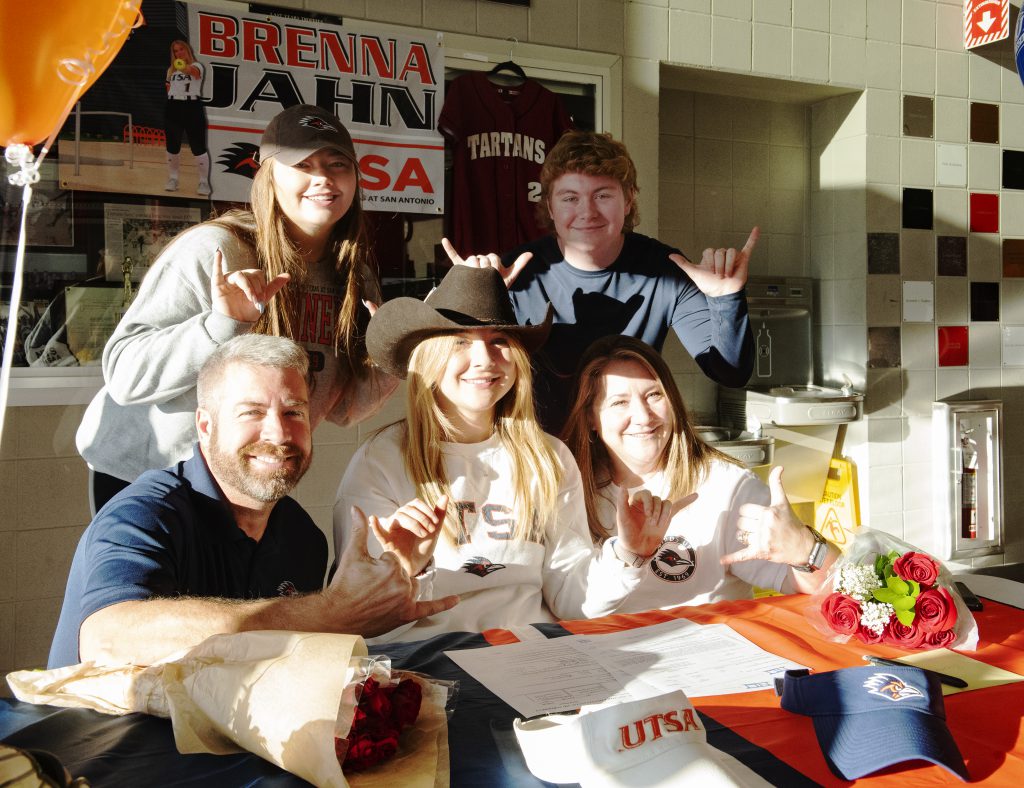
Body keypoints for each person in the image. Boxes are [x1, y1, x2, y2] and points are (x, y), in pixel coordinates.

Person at [49, 335, 456, 669]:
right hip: (99, 757)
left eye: (294, 412)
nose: (278, 434)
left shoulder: (301, 537)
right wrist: (330, 612)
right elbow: (109, 638)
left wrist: (393, 578)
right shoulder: (144, 514)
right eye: (252, 412)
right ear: (205, 425)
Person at [76, 103, 397, 513]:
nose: (323, 177)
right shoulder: (217, 251)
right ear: (269, 178)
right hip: (152, 478)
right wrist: (219, 325)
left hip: (252, 479)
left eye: (337, 164)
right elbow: (125, 375)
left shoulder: (354, 278)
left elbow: (346, 410)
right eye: (303, 164)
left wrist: (400, 351)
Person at [332, 266, 656, 643]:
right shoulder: (381, 462)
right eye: (460, 342)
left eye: (499, 339)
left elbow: (571, 599)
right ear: (429, 358)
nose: (484, 359)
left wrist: (628, 555)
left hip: (531, 660)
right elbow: (363, 620)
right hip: (424, 667)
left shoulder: (548, 457)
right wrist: (408, 569)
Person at [443, 129, 757, 432]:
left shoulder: (665, 270)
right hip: (539, 451)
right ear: (550, 207)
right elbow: (463, 380)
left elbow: (730, 373)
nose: (587, 212)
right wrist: (472, 299)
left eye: (602, 195)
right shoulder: (516, 274)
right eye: (570, 198)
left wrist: (726, 298)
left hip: (626, 447)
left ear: (629, 200)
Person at [561, 335, 837, 611]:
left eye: (654, 395)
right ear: (589, 416)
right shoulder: (568, 491)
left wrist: (804, 547)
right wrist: (629, 554)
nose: (644, 417)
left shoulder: (727, 486)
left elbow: (829, 591)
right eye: (619, 402)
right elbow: (567, 608)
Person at [164, 39, 211, 196]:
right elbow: (168, 88)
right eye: (175, 51)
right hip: (173, 107)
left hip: (192, 107)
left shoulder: (197, 66)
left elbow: (192, 73)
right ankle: (173, 178)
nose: (178, 53)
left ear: (187, 50)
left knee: (198, 147)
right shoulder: (171, 70)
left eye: (181, 50)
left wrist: (179, 64)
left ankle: (204, 182)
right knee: (172, 145)